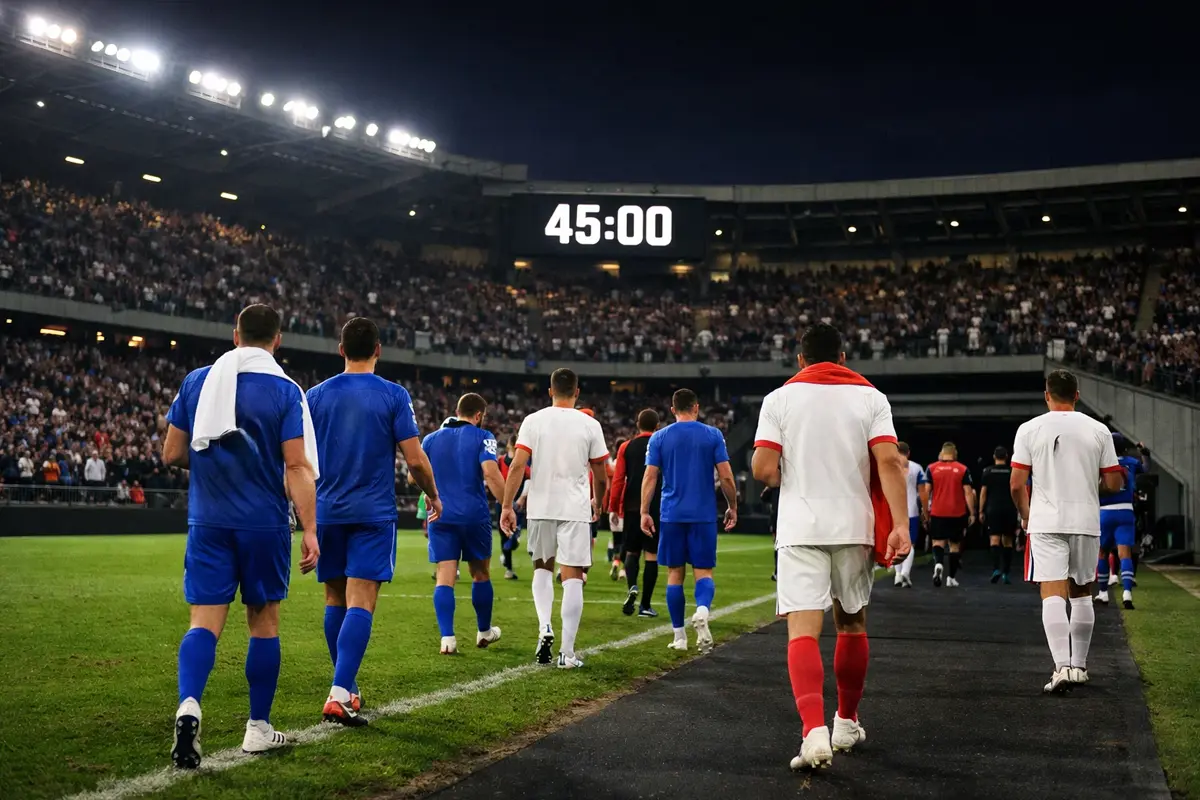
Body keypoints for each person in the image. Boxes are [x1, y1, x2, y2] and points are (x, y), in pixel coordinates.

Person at [162, 304, 321, 769]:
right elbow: (295, 465)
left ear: (235, 335)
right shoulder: (286, 390)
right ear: (278, 340)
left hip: (208, 521)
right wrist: (310, 529)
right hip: (263, 524)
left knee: (202, 622)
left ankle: (189, 705)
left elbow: (173, 452)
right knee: (264, 623)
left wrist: (219, 468)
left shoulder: (198, 381)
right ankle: (257, 728)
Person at [751, 322, 910, 770]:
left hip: (800, 525)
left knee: (802, 629)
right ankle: (846, 721)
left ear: (800, 359)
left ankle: (812, 731)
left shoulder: (779, 399)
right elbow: (890, 462)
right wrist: (900, 524)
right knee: (852, 624)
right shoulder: (871, 397)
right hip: (853, 524)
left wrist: (794, 477)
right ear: (842, 356)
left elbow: (763, 468)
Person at [306, 317, 441, 726]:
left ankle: (346, 686)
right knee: (361, 601)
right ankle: (340, 690)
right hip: (371, 513)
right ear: (378, 350)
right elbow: (415, 459)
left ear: (341, 349)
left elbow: (299, 459)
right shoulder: (393, 395)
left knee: (335, 600)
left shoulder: (314, 396)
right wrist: (433, 495)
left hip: (327, 510)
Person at [1009, 369, 1123, 693]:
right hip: (1086, 520)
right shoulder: (1099, 430)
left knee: (1052, 593)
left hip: (1046, 521)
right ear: (1077, 394)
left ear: (1047, 395)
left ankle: (1060, 667)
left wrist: (1026, 514)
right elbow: (1114, 482)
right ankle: (1080, 668)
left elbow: (1017, 483)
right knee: (1082, 592)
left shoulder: (1030, 429)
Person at [500, 368, 609, 669]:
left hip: (541, 507)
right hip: (574, 509)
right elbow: (600, 474)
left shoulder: (533, 421)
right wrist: (598, 503)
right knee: (573, 577)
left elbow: (518, 465)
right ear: (577, 392)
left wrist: (507, 505)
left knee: (542, 569)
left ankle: (544, 626)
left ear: (550, 391)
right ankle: (567, 652)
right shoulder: (590, 424)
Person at [640, 389, 737, 654]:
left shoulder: (659, 437)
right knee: (703, 572)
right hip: (703, 515)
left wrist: (644, 511)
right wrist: (732, 506)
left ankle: (679, 636)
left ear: (673, 410)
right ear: (696, 407)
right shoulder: (713, 435)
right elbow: (727, 477)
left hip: (671, 514)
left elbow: (650, 477)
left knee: (674, 574)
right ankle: (703, 610)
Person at [422, 393, 507, 654]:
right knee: (480, 573)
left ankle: (447, 639)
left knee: (445, 577)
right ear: (479, 415)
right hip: (473, 515)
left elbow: (416, 476)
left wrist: (430, 491)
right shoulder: (484, 437)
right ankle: (483, 631)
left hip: (441, 515)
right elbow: (491, 473)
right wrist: (507, 506)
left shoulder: (430, 439)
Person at [610, 409, 663, 617]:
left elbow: (618, 479)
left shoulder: (626, 446)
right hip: (654, 507)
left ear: (636, 424)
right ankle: (645, 606)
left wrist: (613, 507)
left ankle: (632, 586)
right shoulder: (661, 444)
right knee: (652, 555)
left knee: (631, 551)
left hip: (632, 507)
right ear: (657, 425)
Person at [1096, 436, 1147, 609]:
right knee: (1124, 553)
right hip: (1126, 510)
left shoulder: (1101, 462)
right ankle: (1127, 593)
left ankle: (1103, 593)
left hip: (1105, 512)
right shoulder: (1131, 462)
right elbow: (1145, 467)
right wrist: (1144, 452)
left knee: (1102, 552)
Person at [924, 442, 975, 587]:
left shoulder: (932, 468)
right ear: (955, 453)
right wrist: (973, 512)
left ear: (942, 452)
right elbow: (968, 493)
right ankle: (951, 578)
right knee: (954, 546)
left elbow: (926, 491)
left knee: (938, 542)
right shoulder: (962, 469)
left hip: (937, 512)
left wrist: (925, 511)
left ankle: (939, 564)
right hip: (957, 513)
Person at [979, 446, 1020, 585]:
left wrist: (980, 510)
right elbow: (1017, 490)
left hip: (993, 508)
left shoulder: (988, 471)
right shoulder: (1012, 471)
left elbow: (983, 493)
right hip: (1009, 508)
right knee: (1008, 541)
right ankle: (1006, 573)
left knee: (994, 539)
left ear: (994, 457)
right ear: (1007, 456)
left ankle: (996, 569)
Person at [893, 442, 928, 587]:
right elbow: (923, 493)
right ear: (908, 453)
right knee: (910, 543)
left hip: (893, 509)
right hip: (911, 510)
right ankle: (905, 572)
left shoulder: (889, 465)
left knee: (896, 542)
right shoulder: (916, 468)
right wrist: (925, 511)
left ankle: (897, 574)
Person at [608, 437, 628, 580]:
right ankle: (624, 570)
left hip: (614, 507)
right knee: (628, 542)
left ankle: (615, 562)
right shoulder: (631, 465)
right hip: (627, 508)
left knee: (617, 540)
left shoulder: (613, 465)